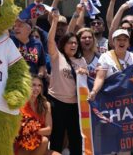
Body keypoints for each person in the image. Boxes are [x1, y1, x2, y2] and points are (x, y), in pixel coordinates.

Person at [47, 11, 88, 155]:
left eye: (76, 43)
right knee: (57, 137)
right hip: (57, 102)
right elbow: (50, 41)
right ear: (63, 45)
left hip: (75, 105)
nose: (74, 45)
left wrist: (85, 73)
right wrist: (54, 21)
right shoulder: (57, 56)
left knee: (76, 138)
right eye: (70, 43)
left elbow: (85, 83)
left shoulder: (81, 61)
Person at [15, 75, 52, 155]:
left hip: (40, 145)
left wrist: (32, 130)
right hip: (23, 145)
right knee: (44, 140)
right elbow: (17, 131)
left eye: (39, 85)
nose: (37, 88)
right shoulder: (20, 104)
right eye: (33, 85)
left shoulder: (46, 105)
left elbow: (49, 130)